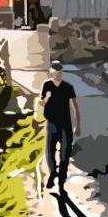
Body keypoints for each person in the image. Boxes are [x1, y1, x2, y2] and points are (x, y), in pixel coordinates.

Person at [39, 60, 80, 190]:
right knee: (50, 152)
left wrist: (77, 125)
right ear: (51, 72)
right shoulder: (47, 85)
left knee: (65, 153)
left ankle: (62, 177)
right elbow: (41, 103)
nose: (56, 74)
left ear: (61, 72)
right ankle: (52, 173)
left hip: (65, 125)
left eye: (59, 72)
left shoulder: (68, 87)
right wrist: (47, 97)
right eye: (54, 71)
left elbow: (75, 107)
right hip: (52, 124)